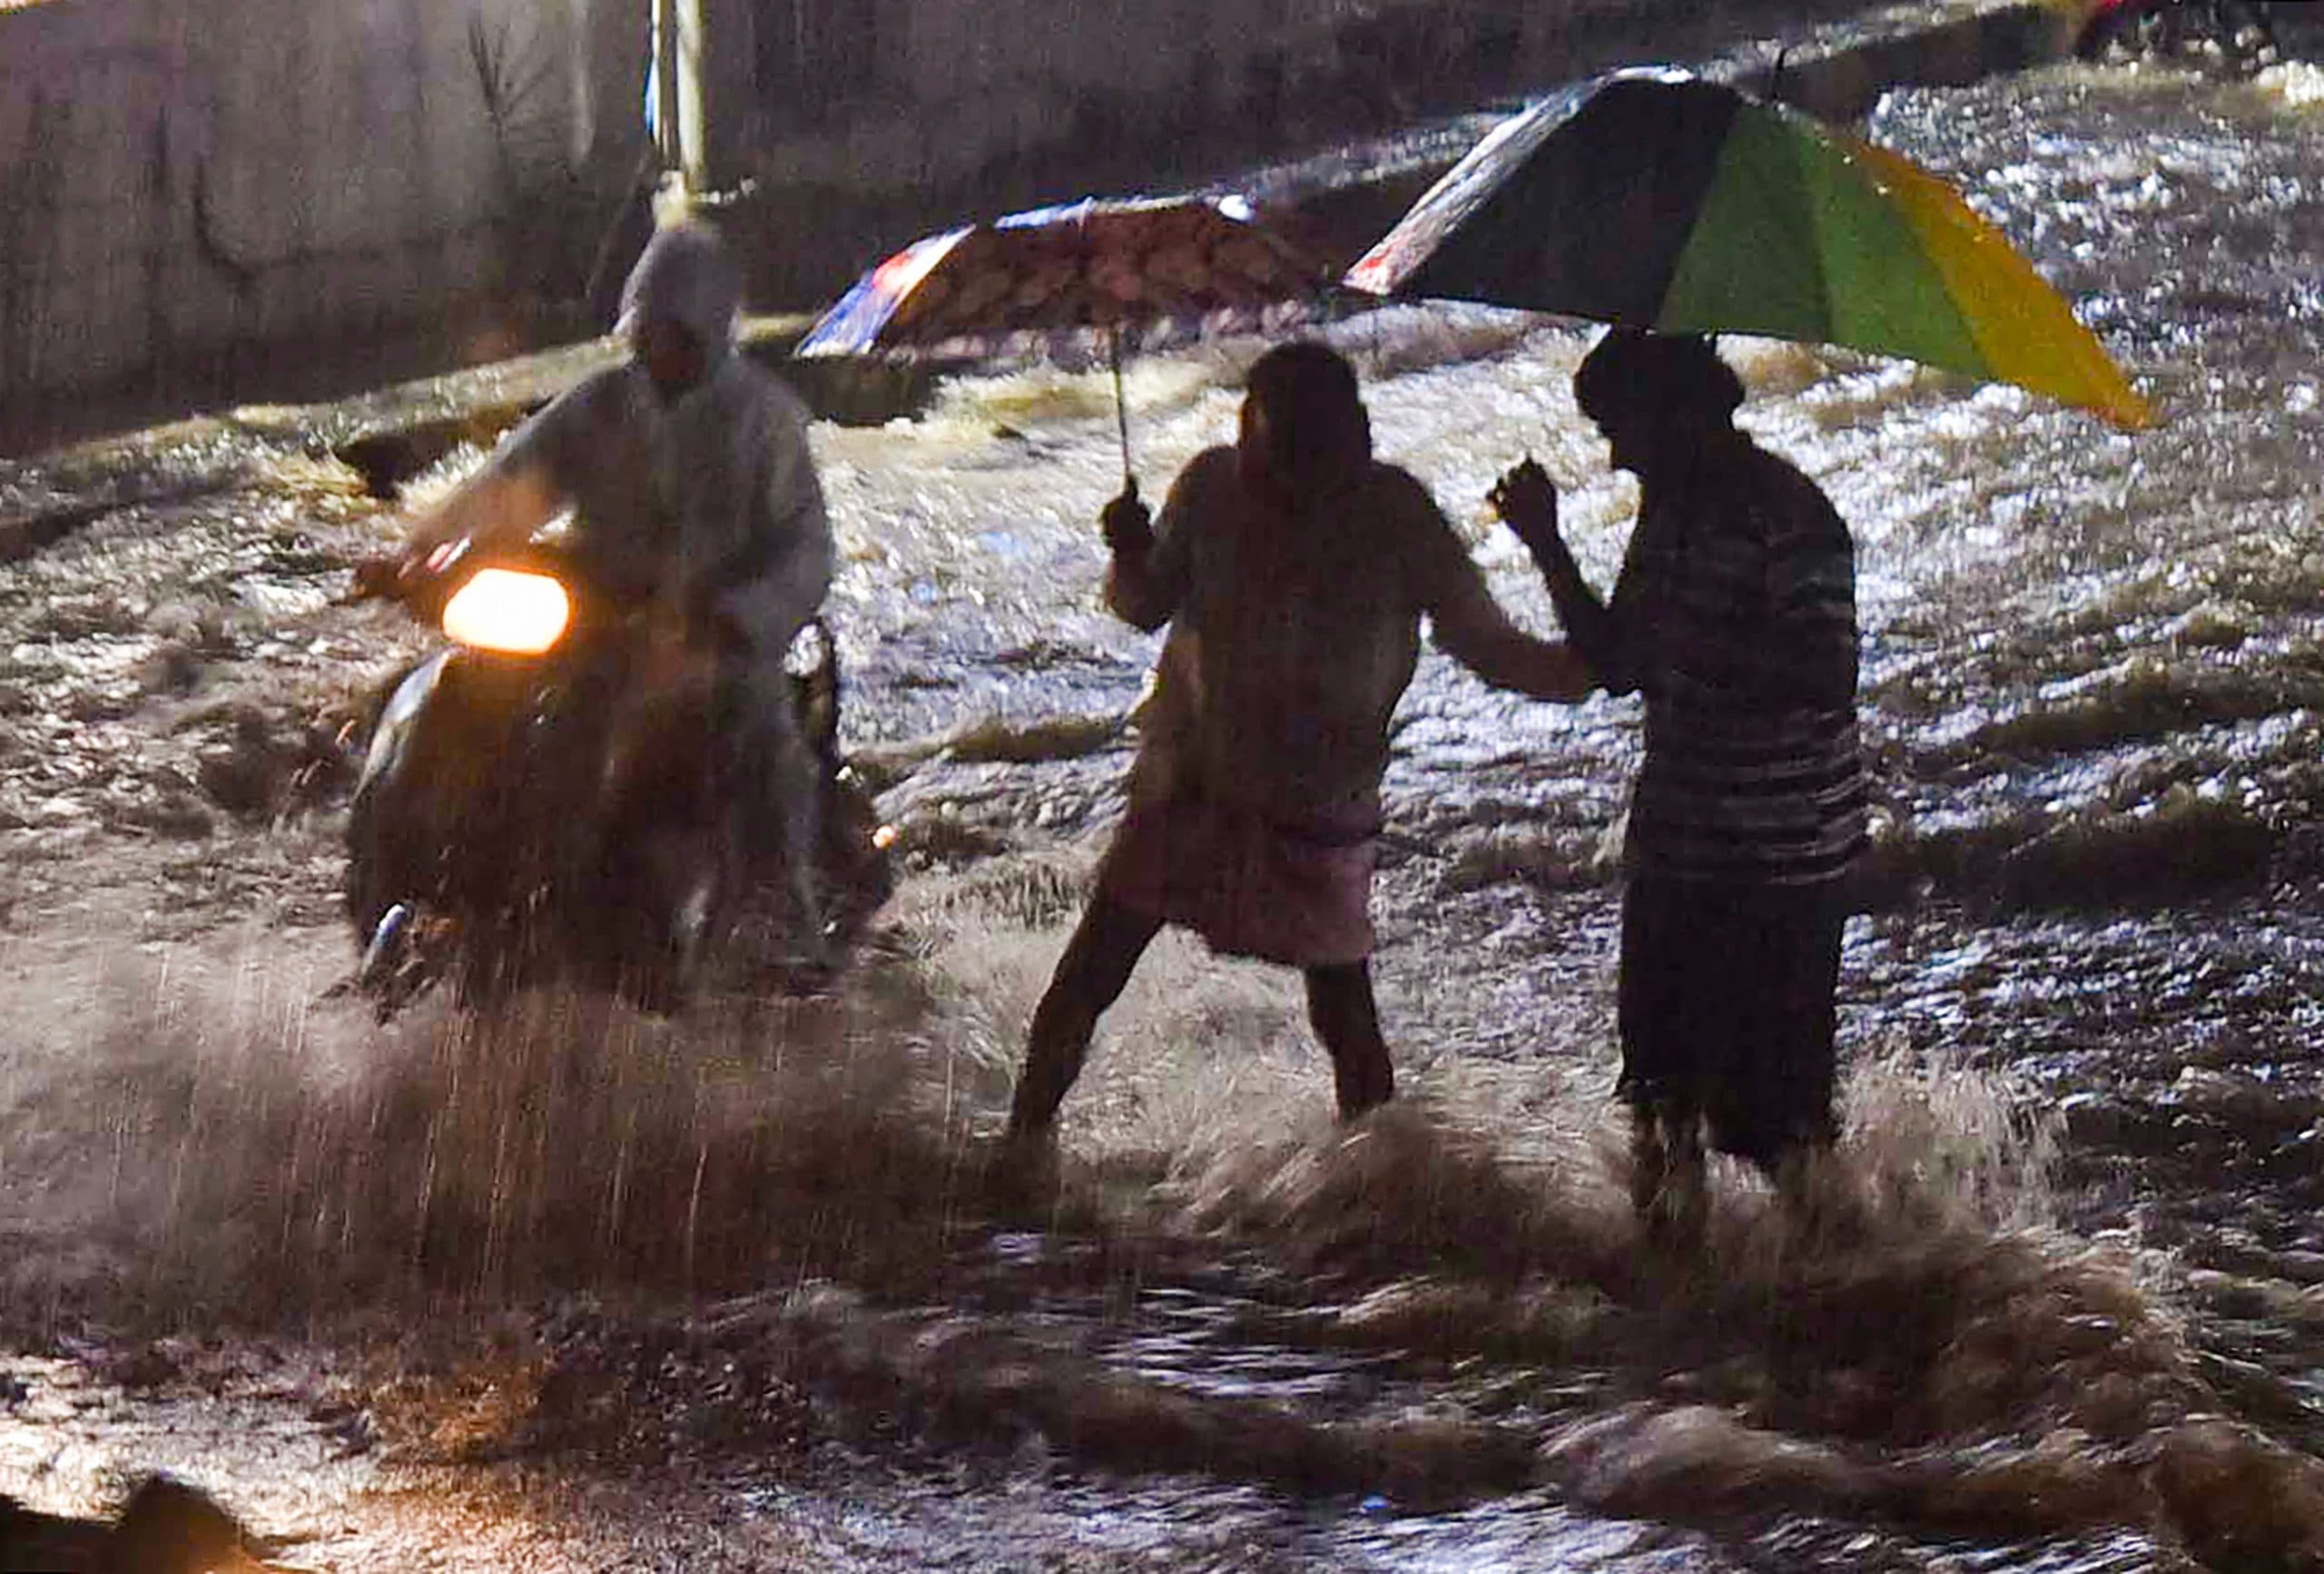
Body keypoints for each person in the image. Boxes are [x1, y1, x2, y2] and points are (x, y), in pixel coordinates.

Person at [1004, 341, 1591, 1146]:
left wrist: (1581, 668)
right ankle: (1022, 1144)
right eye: (1280, 454)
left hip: (1321, 799)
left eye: (1318, 453)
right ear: (1247, 428)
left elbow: (1488, 645)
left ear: (1357, 433)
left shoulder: (1396, 513)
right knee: (1093, 971)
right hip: (1196, 780)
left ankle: (1382, 1177)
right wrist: (1127, 551)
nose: (1296, 482)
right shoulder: (1211, 486)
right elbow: (1145, 606)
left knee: (1343, 1011)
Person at [1491, 329, 1867, 1241]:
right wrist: (1546, 546)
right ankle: (1675, 1310)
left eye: (1621, 430)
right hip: (1677, 848)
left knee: (1776, 1126)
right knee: (1658, 1099)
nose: (1615, 456)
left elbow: (1825, 672)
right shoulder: (1669, 512)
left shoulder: (1790, 516)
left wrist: (1698, 648)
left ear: (1680, 419)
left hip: (1780, 863)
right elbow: (1618, 662)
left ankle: (1850, 1295)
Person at [399, 220, 837, 970]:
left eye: (673, 332)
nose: (654, 347)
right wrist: (418, 553)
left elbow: (808, 548)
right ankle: (473, 897)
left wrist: (739, 616)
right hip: (594, 637)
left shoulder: (764, 424)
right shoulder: (598, 407)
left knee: (766, 753)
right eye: (646, 328)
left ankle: (782, 929)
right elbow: (510, 485)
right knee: (489, 713)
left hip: (713, 648)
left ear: (706, 332)